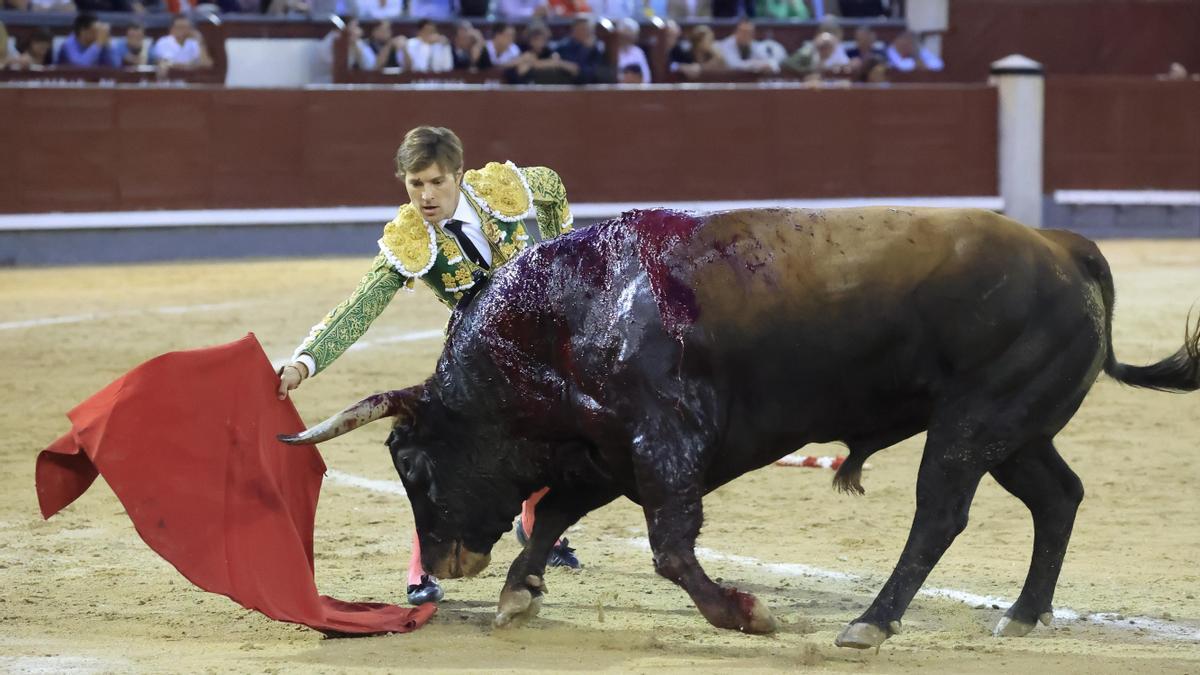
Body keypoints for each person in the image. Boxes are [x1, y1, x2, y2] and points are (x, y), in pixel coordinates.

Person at [277, 126, 581, 606]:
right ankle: (421, 569)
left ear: (459, 175)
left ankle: (537, 525)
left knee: (563, 431)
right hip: (476, 353)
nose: (426, 195)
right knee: (449, 455)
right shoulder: (409, 240)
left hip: (539, 337)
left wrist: (564, 248)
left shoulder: (502, 188)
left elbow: (552, 186)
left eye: (437, 182)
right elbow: (360, 308)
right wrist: (303, 364)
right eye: (415, 184)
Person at [614, 17, 649, 83]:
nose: (627, 39)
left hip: (637, 90)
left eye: (630, 36)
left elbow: (646, 78)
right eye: (624, 36)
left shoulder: (639, 52)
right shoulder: (613, 52)